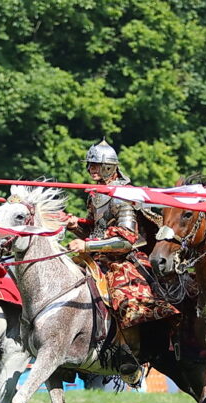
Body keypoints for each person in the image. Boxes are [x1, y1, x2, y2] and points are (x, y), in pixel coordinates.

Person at [66, 139, 179, 380]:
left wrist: (85, 244)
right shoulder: (96, 195)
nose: (91, 170)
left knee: (125, 297)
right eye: (90, 166)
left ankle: (131, 354)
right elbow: (96, 230)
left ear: (110, 167)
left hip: (124, 259)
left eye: (96, 165)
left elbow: (126, 239)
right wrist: (77, 226)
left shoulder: (122, 195)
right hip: (97, 256)